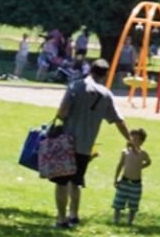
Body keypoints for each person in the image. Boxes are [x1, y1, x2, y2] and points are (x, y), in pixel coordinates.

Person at [50, 59, 130, 228]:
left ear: (90, 70)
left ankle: (61, 219)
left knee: (61, 183)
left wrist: (63, 118)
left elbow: (62, 112)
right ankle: (74, 216)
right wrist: (130, 140)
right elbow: (118, 120)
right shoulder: (107, 94)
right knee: (76, 182)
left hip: (66, 142)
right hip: (86, 145)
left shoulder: (75, 86)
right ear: (105, 74)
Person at [112, 128, 150, 223]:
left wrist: (140, 167)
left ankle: (130, 221)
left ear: (141, 142)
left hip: (136, 183)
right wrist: (116, 178)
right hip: (124, 181)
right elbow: (120, 165)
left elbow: (149, 162)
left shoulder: (143, 153)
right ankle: (116, 219)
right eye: (132, 139)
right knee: (118, 202)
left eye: (136, 139)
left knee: (133, 204)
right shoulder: (125, 152)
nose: (133, 141)